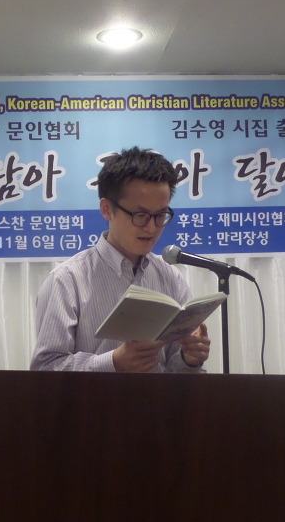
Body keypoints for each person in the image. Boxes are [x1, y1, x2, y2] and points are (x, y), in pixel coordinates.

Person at [30, 146, 211, 372]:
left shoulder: (170, 277)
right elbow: (45, 367)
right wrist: (112, 363)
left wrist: (189, 358)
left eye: (160, 215)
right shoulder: (67, 280)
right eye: (140, 215)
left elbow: (174, 368)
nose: (151, 227)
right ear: (107, 209)